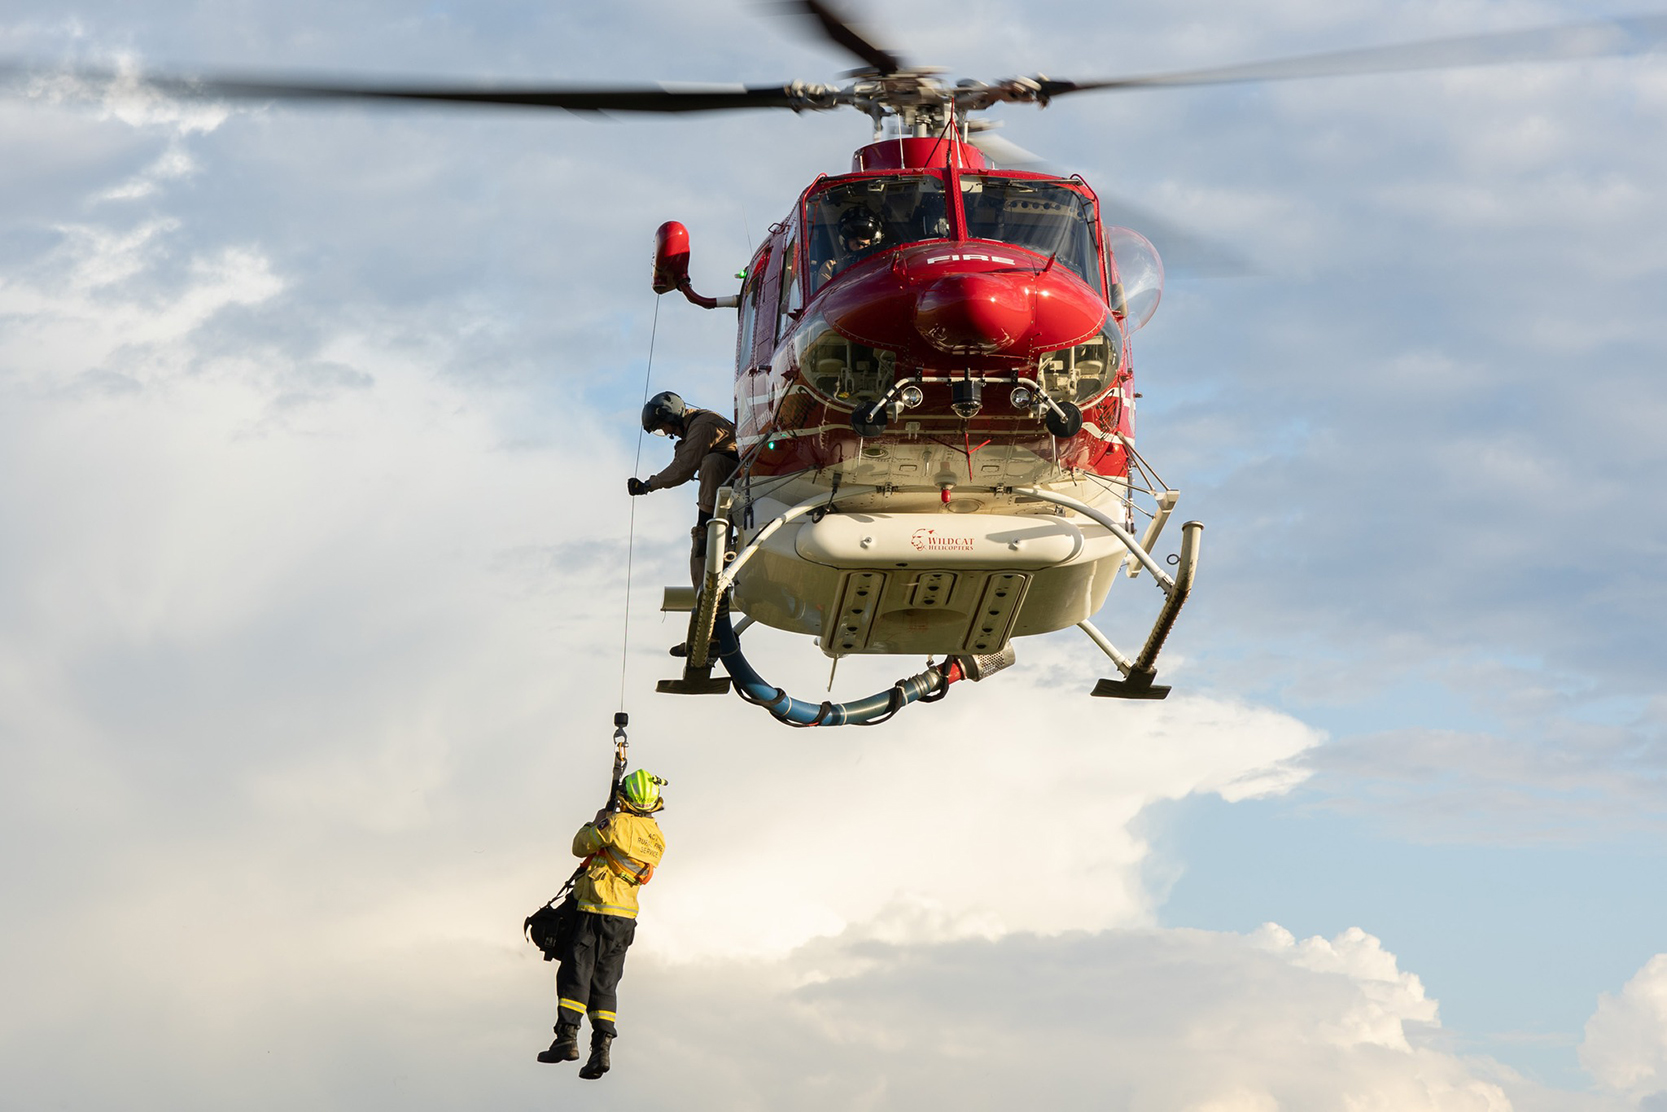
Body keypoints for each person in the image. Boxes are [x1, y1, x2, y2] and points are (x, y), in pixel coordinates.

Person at [537, 769, 668, 1080]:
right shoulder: (657, 837)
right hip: (625, 919)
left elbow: (580, 845)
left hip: (595, 911)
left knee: (575, 972)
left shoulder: (616, 824)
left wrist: (596, 821)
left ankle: (566, 1039)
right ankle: (602, 1049)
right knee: (605, 983)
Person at [627, 391, 739, 588]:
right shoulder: (694, 426)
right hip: (729, 486)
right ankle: (703, 591)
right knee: (700, 541)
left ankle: (710, 579)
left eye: (663, 427)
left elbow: (683, 467)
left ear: (673, 417)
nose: (668, 432)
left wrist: (648, 485)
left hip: (737, 480)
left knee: (710, 463)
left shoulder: (703, 425)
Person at [816, 206, 885, 285]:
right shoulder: (831, 268)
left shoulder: (886, 263)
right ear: (844, 240)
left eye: (864, 234)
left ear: (874, 238)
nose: (858, 240)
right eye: (851, 234)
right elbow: (828, 296)